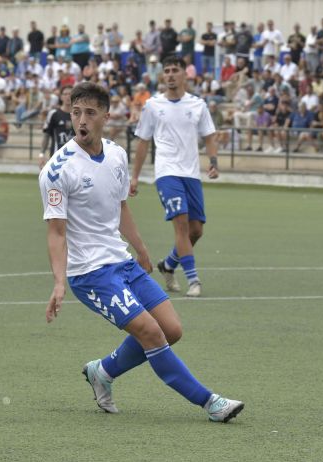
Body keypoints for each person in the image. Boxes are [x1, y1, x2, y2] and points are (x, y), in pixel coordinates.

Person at [39, 82, 243, 421]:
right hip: (90, 273)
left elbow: (121, 208)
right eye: (76, 113)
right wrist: (59, 282)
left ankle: (102, 371)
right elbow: (56, 233)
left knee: (171, 330)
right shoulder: (57, 170)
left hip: (122, 262)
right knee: (150, 332)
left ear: (106, 115)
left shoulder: (116, 154)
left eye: (90, 113)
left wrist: (141, 249)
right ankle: (210, 403)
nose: (82, 121)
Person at [130, 56, 219, 298]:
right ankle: (194, 281)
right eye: (166, 71)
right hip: (167, 173)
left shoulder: (198, 105)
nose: (170, 74)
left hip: (191, 174)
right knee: (180, 225)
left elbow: (210, 136)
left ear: (184, 75)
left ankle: (168, 265)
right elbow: (143, 142)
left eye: (174, 70)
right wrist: (135, 176)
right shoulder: (153, 105)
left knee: (196, 230)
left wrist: (213, 162)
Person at [39, 85, 74, 168]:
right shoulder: (53, 114)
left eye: (70, 94)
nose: (68, 96)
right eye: (65, 94)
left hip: (75, 159)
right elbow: (46, 135)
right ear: (61, 97)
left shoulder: (80, 115)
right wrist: (41, 155)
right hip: (57, 158)